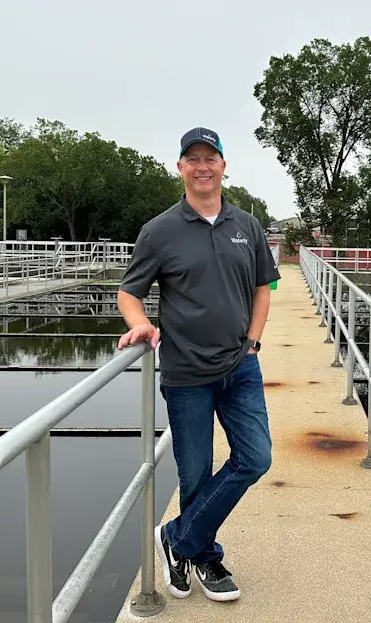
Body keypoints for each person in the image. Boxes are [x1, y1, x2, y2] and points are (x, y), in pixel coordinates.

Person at [116, 126, 280, 603]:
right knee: (196, 474)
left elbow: (261, 289)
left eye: (211, 158)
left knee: (256, 458)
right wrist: (140, 322)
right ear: (181, 168)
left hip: (240, 367)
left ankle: (179, 539)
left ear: (224, 166)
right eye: (194, 159)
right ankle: (204, 557)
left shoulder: (246, 226)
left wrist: (252, 342)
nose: (203, 166)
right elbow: (130, 292)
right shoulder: (160, 230)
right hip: (187, 374)